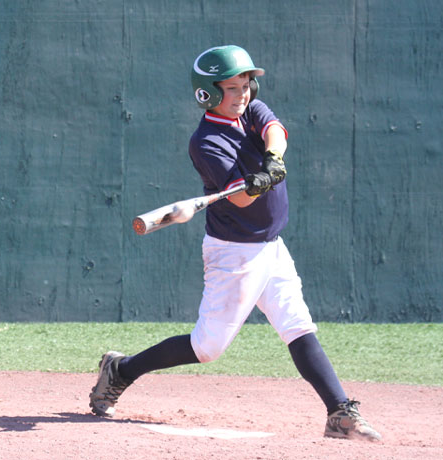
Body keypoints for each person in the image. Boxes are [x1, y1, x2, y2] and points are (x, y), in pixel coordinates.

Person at [89, 45, 381, 443]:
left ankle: (339, 412)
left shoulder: (251, 112)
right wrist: (257, 185)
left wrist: (272, 162)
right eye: (232, 87)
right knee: (207, 348)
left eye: (247, 84)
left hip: (272, 246)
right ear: (207, 93)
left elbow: (275, 129)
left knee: (297, 325)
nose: (243, 93)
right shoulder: (206, 141)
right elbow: (241, 198)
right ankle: (122, 370)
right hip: (234, 253)